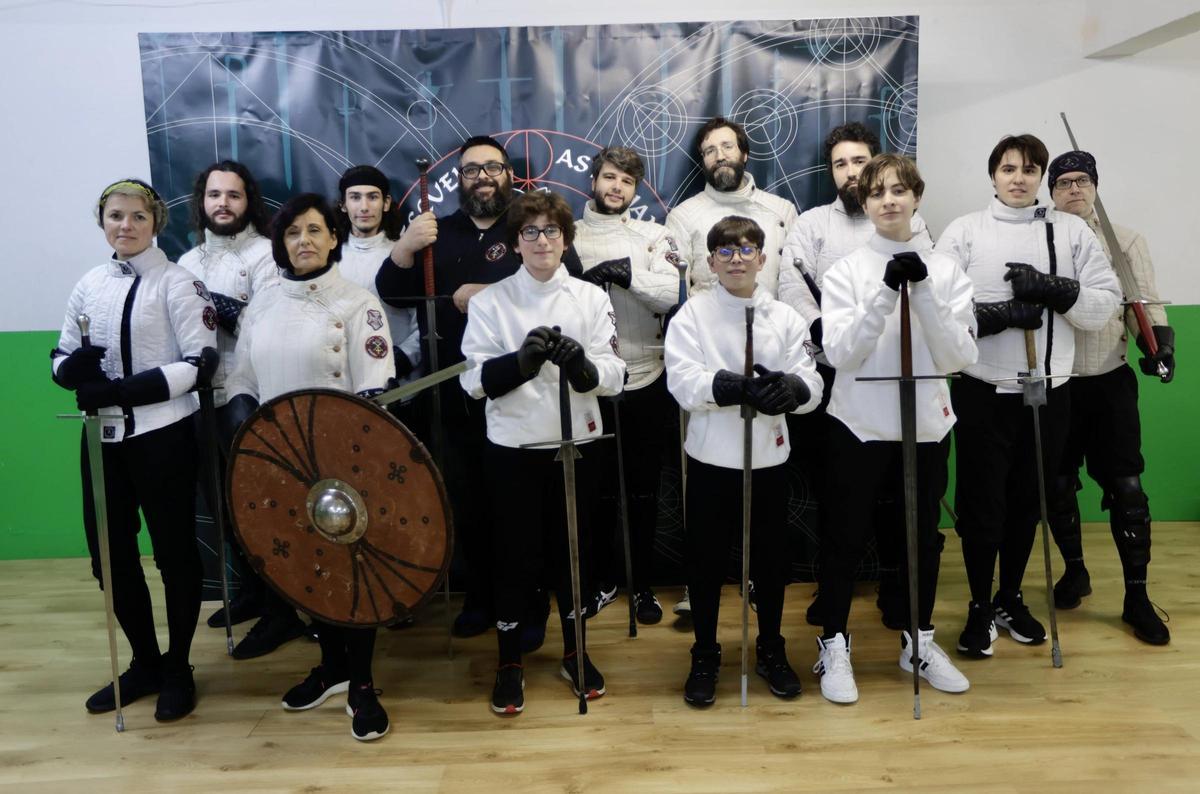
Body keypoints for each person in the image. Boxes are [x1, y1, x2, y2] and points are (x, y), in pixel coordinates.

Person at [376, 135, 583, 642]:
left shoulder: (531, 228)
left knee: (524, 509)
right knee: (465, 499)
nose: (483, 177)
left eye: (493, 167)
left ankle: (531, 602)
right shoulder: (435, 231)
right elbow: (392, 292)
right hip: (451, 386)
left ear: (510, 174)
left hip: (522, 391)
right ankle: (481, 596)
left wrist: (487, 293)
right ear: (459, 180)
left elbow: (570, 280)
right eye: (471, 170)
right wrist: (405, 245)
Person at [936, 134, 1120, 659]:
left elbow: (1104, 303)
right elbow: (937, 309)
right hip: (982, 392)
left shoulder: (1070, 231)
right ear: (993, 174)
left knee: (1026, 503)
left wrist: (1056, 290)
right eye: (1008, 168)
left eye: (1029, 169)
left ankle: (1009, 596)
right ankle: (976, 604)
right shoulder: (964, 231)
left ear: (1041, 177)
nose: (1018, 178)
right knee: (981, 505)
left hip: (1049, 392)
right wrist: (995, 317)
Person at [224, 193, 393, 741]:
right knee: (306, 567)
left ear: (334, 237)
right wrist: (248, 422)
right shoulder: (264, 302)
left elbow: (374, 392)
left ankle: (363, 682)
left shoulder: (357, 304)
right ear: (282, 242)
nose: (304, 241)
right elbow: (242, 378)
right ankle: (334, 668)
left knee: (349, 571)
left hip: (343, 462)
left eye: (315, 231)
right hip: (277, 458)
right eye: (293, 232)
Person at [52, 178, 216, 721]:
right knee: (109, 556)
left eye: (137, 217)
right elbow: (61, 355)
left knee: (173, 554)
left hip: (162, 433)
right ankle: (144, 661)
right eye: (115, 216)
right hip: (100, 438)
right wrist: (71, 373)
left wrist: (122, 390)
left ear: (155, 223)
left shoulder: (179, 283)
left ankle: (178, 667)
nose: (125, 225)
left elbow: (200, 364)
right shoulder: (89, 283)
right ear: (102, 220)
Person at [815, 154, 976, 704]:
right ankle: (834, 641)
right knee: (843, 537)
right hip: (858, 424)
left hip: (926, 426)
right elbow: (840, 352)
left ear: (916, 197)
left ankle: (919, 639)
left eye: (899, 190)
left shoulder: (949, 270)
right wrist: (885, 294)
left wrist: (925, 290)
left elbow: (959, 355)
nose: (889, 200)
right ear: (865, 203)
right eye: (877, 192)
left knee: (921, 541)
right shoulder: (846, 271)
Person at [460, 190, 625, 714]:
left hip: (576, 445)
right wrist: (519, 364)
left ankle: (575, 652)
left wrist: (583, 368)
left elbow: (616, 375)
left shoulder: (590, 298)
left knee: (574, 554)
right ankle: (510, 661)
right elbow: (471, 381)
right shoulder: (490, 303)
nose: (541, 241)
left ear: (566, 239)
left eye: (551, 231)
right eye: (529, 232)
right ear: (514, 243)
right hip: (513, 448)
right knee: (514, 556)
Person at [779, 122, 936, 631]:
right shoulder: (810, 224)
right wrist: (820, 326)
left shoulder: (910, 223)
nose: (850, 172)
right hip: (832, 379)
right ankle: (833, 595)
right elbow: (790, 282)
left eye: (859, 162)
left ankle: (897, 592)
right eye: (840, 164)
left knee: (898, 495)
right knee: (839, 498)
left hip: (897, 378)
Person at [663, 215, 823, 707]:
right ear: (710, 262)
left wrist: (792, 389)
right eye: (725, 252)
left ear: (762, 257)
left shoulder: (785, 317)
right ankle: (706, 651)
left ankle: (771, 647)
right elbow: (682, 381)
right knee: (705, 562)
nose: (736, 259)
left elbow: (812, 382)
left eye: (746, 249)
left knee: (772, 564)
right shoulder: (691, 315)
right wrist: (729, 386)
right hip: (712, 459)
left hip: (769, 460)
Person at [663, 116, 799, 617]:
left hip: (767, 339)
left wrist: (791, 380)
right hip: (707, 345)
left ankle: (763, 594)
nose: (720, 155)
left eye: (727, 146)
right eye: (709, 150)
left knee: (767, 518)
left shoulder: (781, 210)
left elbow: (790, 287)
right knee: (707, 506)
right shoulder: (684, 215)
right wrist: (717, 378)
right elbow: (671, 282)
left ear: (744, 152)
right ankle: (701, 596)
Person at [1045, 150, 1173, 645]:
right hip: (1055, 380)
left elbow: (1146, 300)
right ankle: (1075, 570)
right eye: (1063, 183)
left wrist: (1160, 344)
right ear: (1051, 192)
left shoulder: (1126, 240)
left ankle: (1136, 597)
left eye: (1082, 181)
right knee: (1057, 484)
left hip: (1110, 378)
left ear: (1095, 186)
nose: (1074, 189)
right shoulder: (1041, 238)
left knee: (1128, 489)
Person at [177, 160, 301, 659]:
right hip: (198, 399)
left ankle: (283, 613)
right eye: (213, 195)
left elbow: (268, 321)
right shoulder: (184, 262)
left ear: (248, 201)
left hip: (249, 395)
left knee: (261, 507)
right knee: (223, 509)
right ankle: (253, 592)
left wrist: (207, 301)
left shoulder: (269, 255)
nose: (222, 204)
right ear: (201, 201)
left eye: (232, 195)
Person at [575, 146, 681, 624]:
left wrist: (626, 272)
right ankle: (600, 582)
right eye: (610, 178)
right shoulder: (568, 234)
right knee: (594, 490)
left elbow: (672, 294)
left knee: (642, 489)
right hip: (590, 382)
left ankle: (642, 586)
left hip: (648, 375)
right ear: (594, 181)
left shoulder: (654, 235)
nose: (617, 188)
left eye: (627, 182)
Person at [335, 164, 422, 387]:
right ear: (343, 205)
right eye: (355, 197)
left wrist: (399, 360)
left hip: (398, 385)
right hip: (341, 383)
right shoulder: (328, 259)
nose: (364, 207)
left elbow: (424, 323)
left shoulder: (403, 255)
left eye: (372, 197)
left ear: (386, 203)